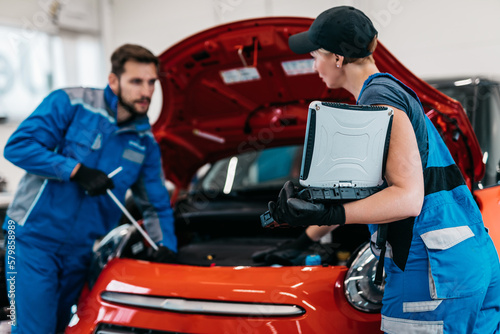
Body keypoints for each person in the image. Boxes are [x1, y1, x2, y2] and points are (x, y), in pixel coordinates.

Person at [265, 6, 500, 333]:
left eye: (316, 55)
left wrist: (333, 217)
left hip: (432, 267)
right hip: (467, 257)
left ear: (337, 58)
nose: (313, 64)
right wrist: (301, 242)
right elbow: (357, 193)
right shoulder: (389, 96)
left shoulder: (379, 100)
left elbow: (407, 199)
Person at [3, 44, 177, 333]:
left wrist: (166, 245)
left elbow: (156, 203)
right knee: (34, 329)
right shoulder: (70, 104)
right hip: (29, 238)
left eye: (151, 82)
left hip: (80, 251)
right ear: (113, 81)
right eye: (136, 81)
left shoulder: (145, 143)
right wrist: (75, 170)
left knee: (62, 327)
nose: (146, 92)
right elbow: (18, 147)